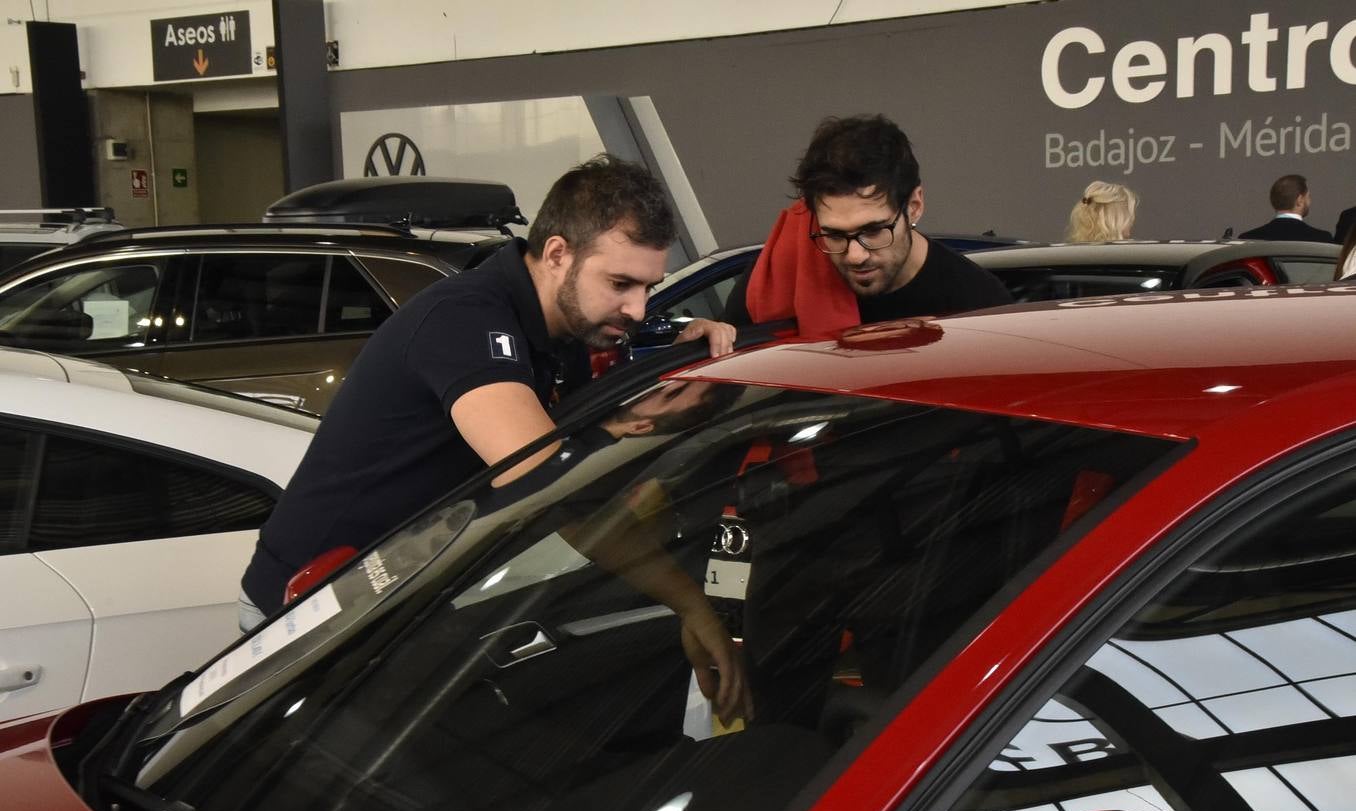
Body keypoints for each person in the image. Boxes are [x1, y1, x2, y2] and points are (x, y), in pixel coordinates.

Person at [239, 154, 736, 628]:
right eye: (620, 283)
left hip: (400, 601)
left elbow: (587, 452)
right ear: (558, 253)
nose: (636, 308)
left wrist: (679, 357)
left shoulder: (566, 332)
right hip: (308, 609)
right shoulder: (465, 320)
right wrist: (690, 602)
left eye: (648, 287)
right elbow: (548, 487)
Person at [725, 114, 1011, 335]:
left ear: (914, 207)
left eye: (874, 231)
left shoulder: (979, 303)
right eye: (834, 235)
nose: (855, 256)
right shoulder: (778, 279)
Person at [1238, 174, 1333, 241]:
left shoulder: (1248, 239)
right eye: (1308, 196)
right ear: (1300, 200)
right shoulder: (1321, 239)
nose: (1309, 201)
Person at [1066, 181, 1137, 242]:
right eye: (1128, 215)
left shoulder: (1074, 255)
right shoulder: (1131, 256)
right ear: (1114, 218)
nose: (1132, 221)